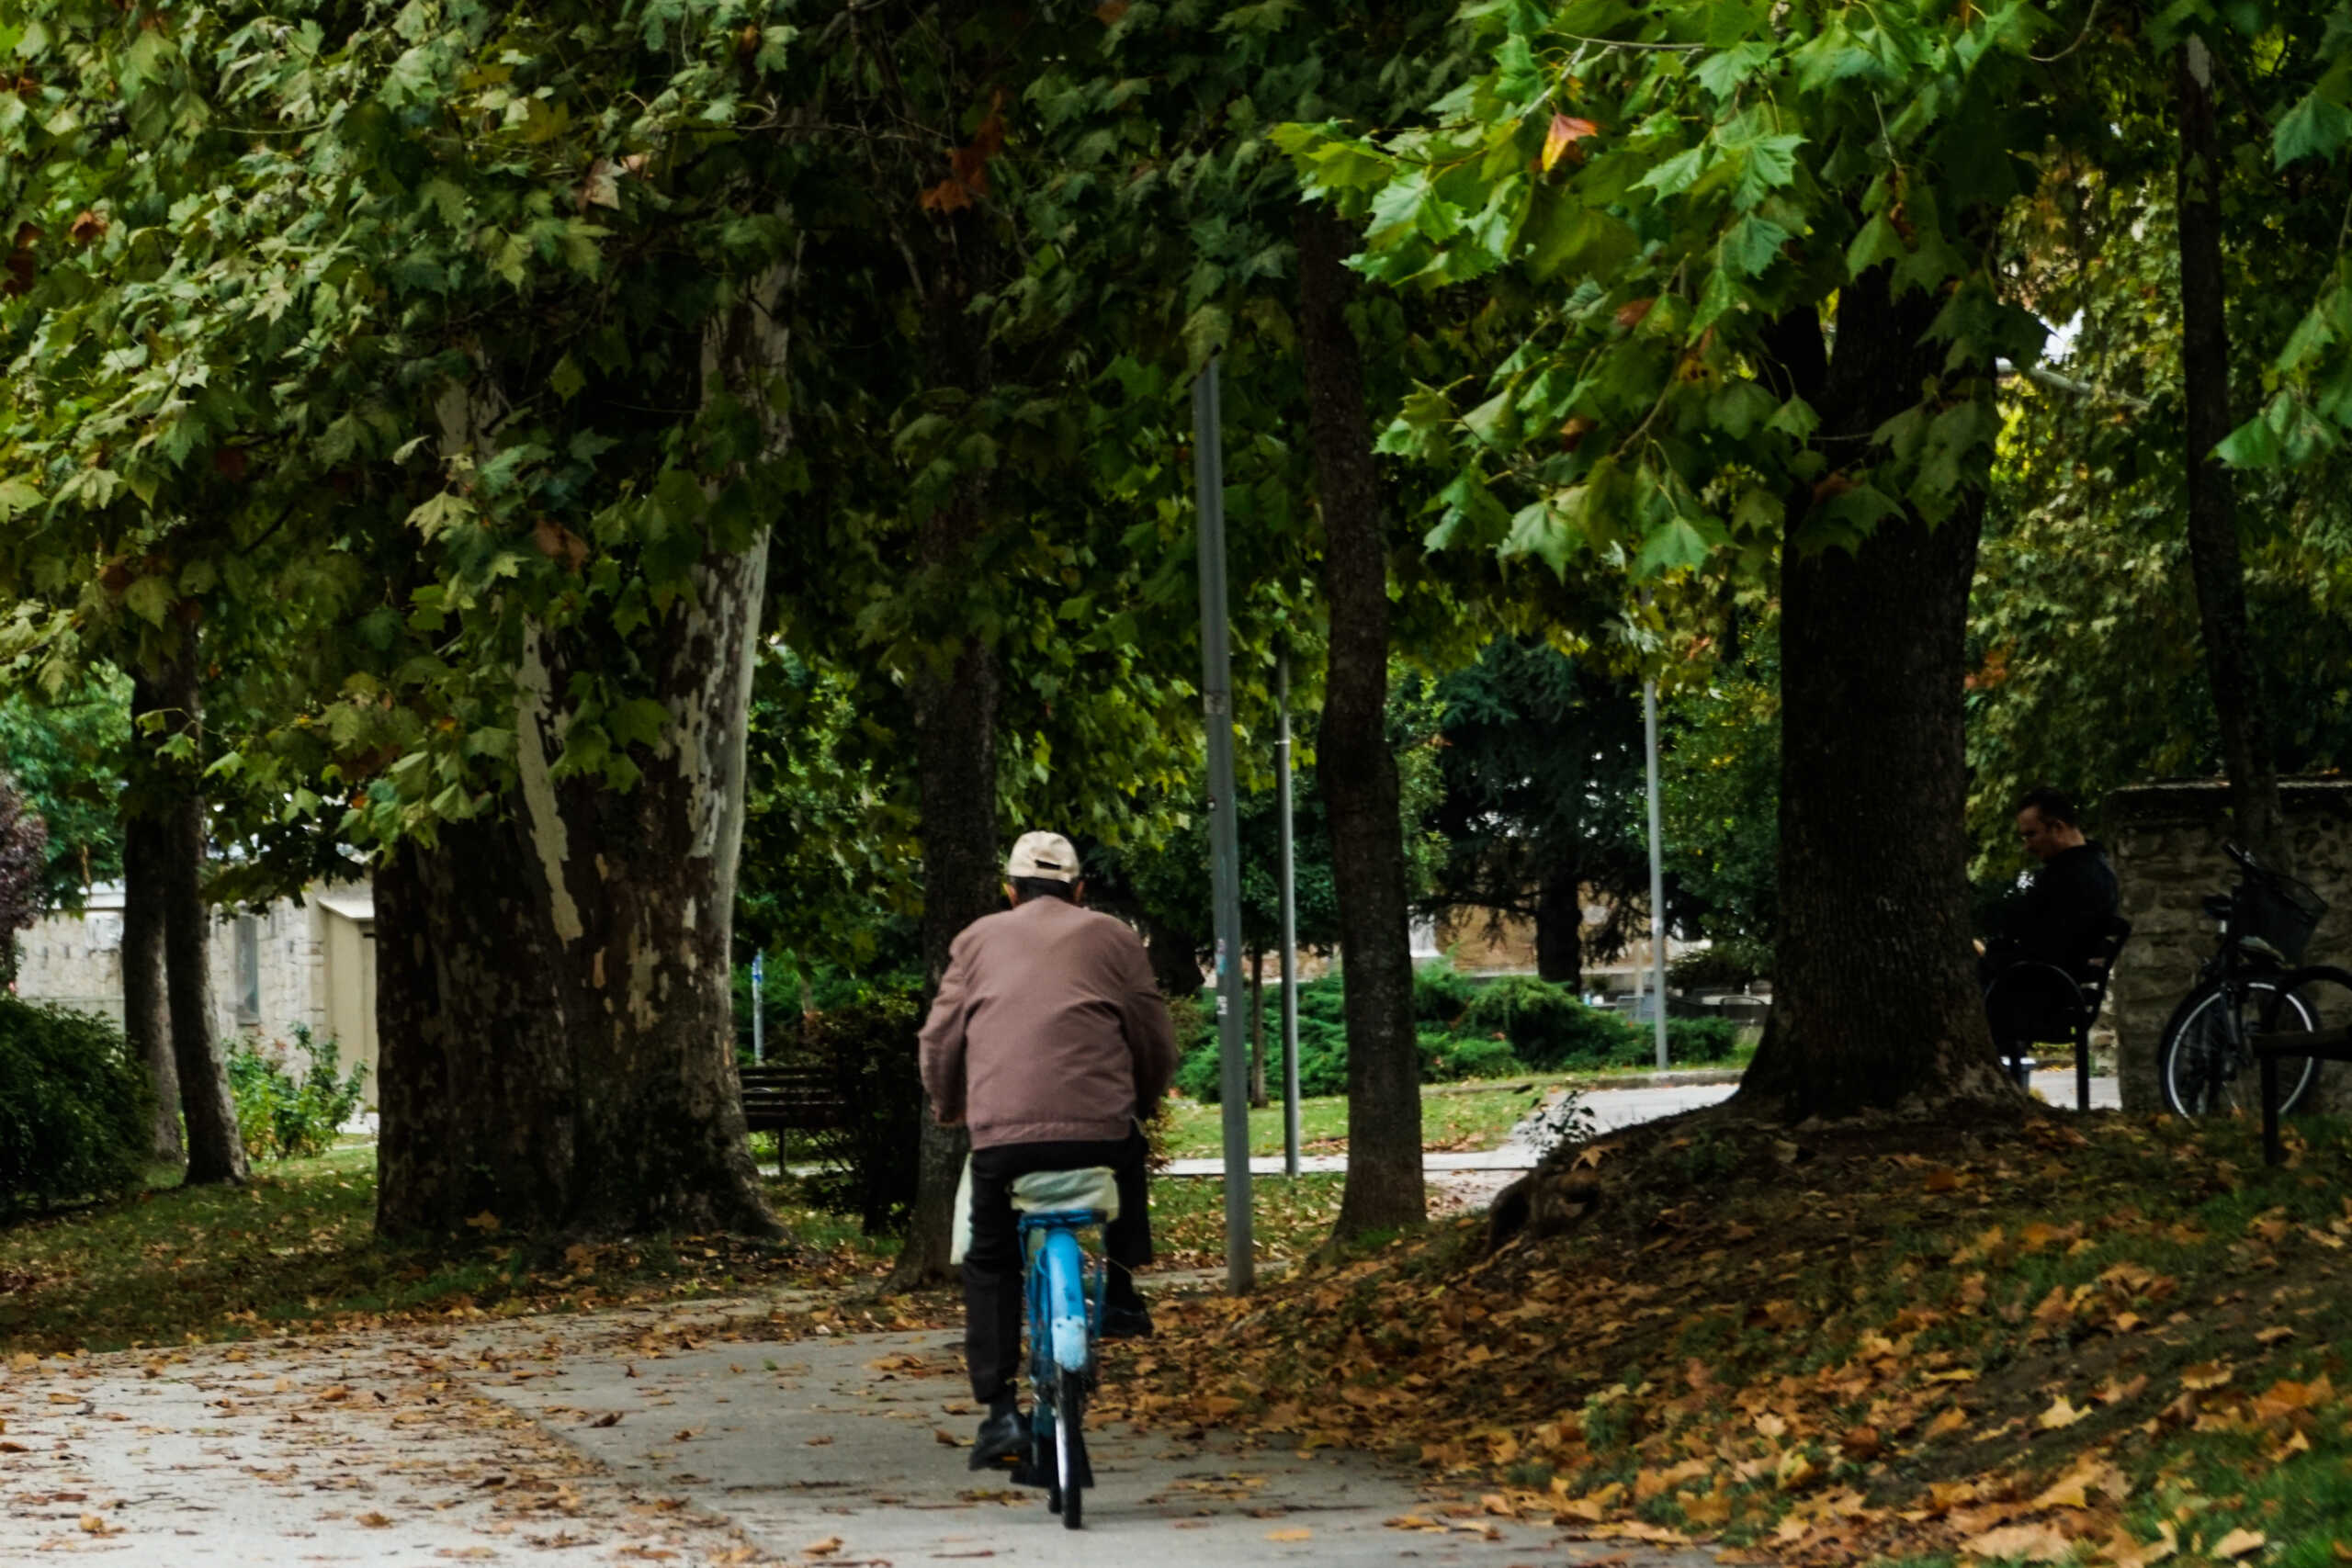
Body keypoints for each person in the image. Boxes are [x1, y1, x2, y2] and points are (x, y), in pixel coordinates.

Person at [917, 830, 1177, 1471]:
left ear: (1009, 891)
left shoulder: (976, 940)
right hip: (1098, 1129)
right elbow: (1153, 1038)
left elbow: (941, 1040)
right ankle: (1120, 1291)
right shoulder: (1115, 937)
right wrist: (1141, 1101)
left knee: (990, 1256)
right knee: (1126, 1158)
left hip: (1003, 1136)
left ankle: (1000, 1409)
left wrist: (950, 1105)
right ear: (1079, 889)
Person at [1981, 786, 2120, 982]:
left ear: (2058, 828)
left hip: (2038, 991)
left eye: (2031, 835)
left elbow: (2044, 947)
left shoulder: (2067, 877)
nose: (2027, 846)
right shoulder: (2096, 868)